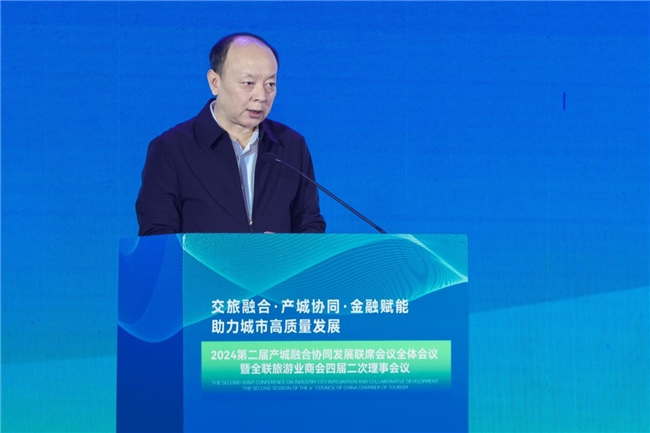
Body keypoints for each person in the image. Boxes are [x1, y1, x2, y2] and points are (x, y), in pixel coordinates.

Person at [136, 33, 326, 235]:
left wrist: (285, 248)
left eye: (270, 84)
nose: (261, 96)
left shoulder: (291, 146)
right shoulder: (171, 149)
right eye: (248, 83)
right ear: (214, 82)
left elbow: (310, 225)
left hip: (278, 259)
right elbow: (157, 235)